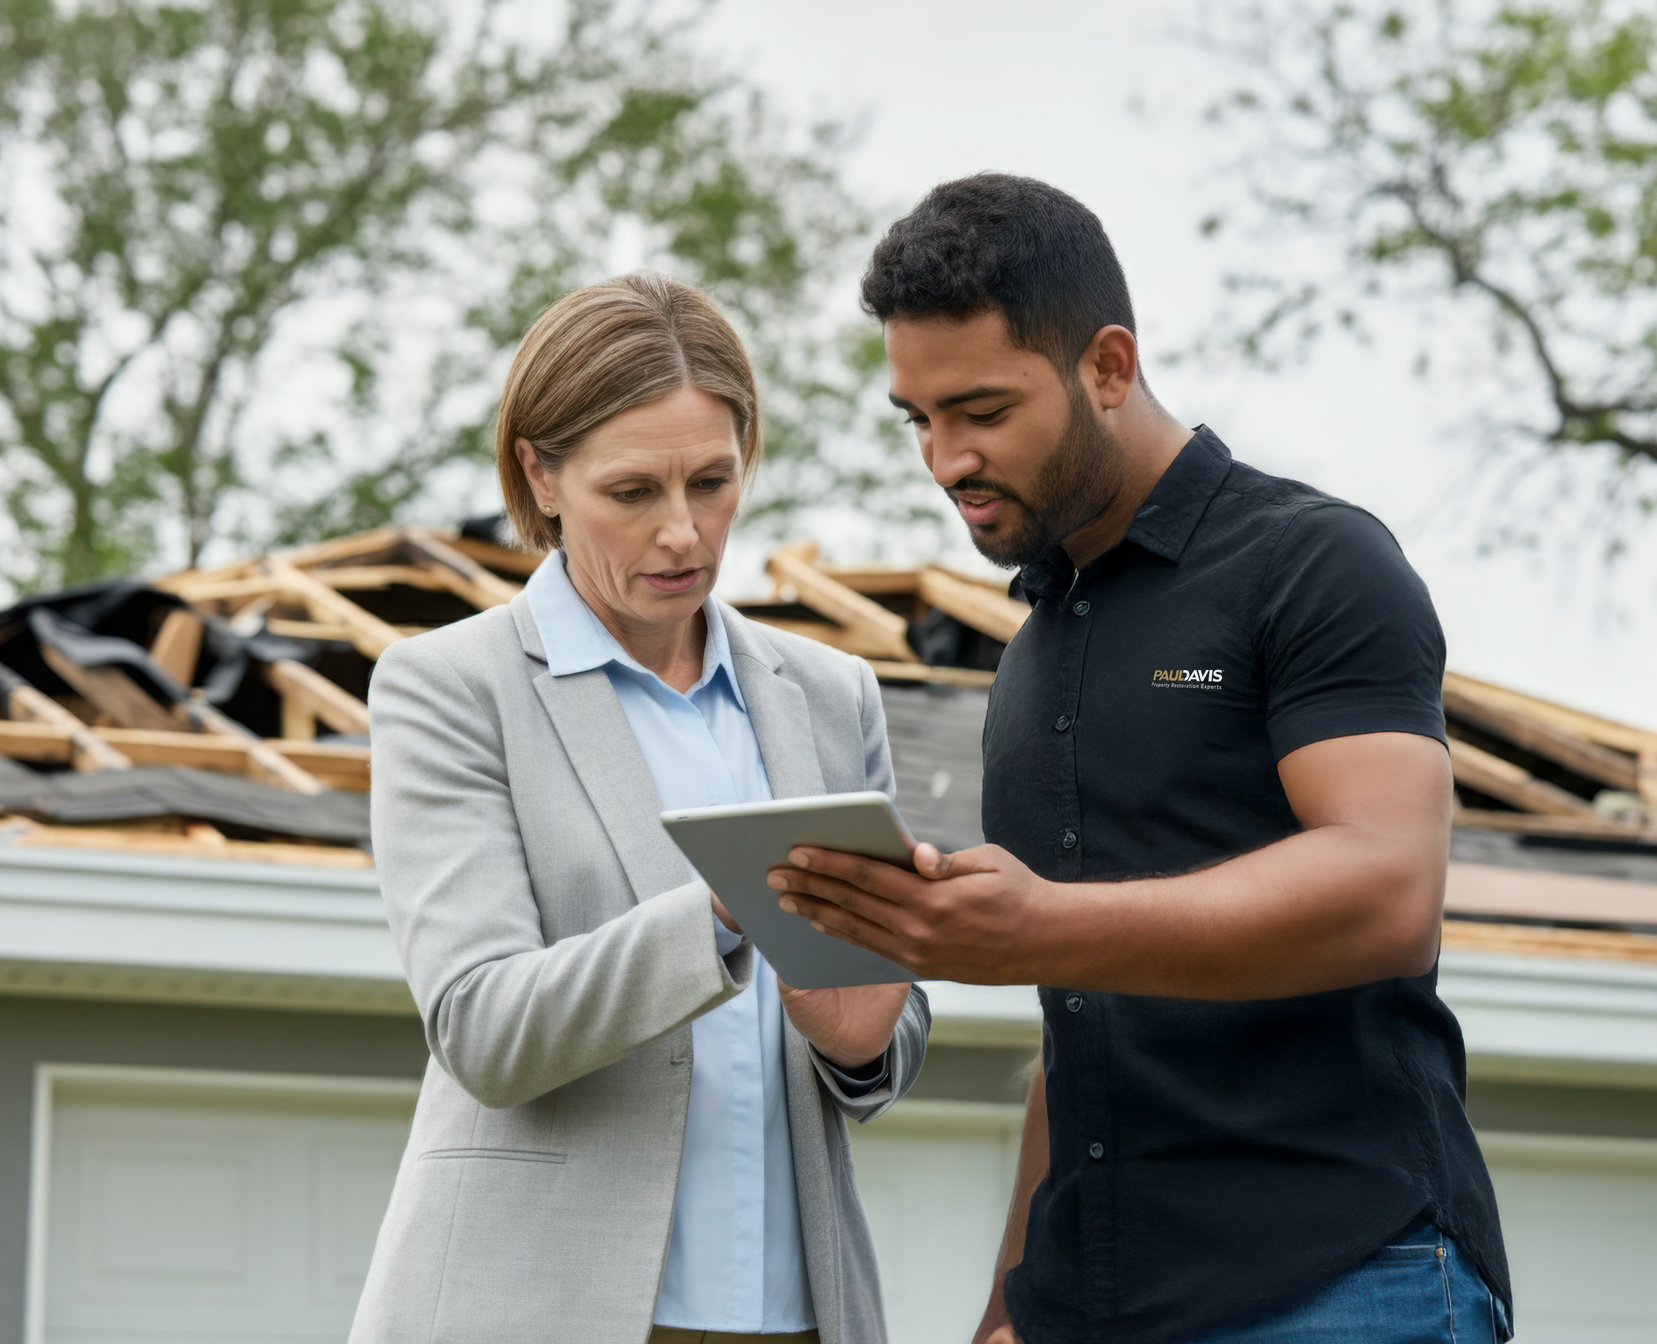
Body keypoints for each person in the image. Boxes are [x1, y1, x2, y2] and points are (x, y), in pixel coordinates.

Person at [765, 175, 1512, 1344]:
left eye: (981, 409)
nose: (945, 458)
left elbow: (1388, 892)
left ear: (1107, 367)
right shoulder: (1031, 655)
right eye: (917, 418)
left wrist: (1040, 928)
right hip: (1091, 1310)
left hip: (1340, 1283)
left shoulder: (1315, 564)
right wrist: (1010, 1303)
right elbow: (1082, 1025)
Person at [350, 272, 928, 1344]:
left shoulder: (833, 695)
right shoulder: (450, 687)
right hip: (541, 1310)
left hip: (802, 1315)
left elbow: (875, 1027)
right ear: (542, 471)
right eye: (633, 492)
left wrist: (861, 1040)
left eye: (712, 482)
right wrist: (722, 915)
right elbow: (481, 1028)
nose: (684, 534)